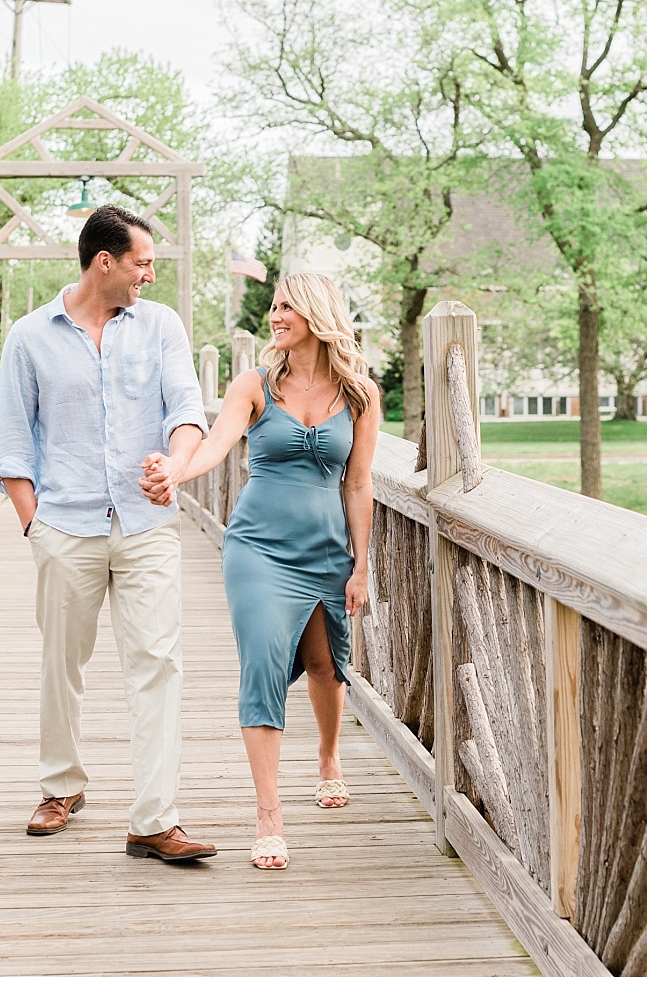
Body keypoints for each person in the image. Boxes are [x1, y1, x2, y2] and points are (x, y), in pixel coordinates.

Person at [0, 204, 217, 863]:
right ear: (105, 263)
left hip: (147, 527)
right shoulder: (29, 337)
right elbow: (11, 443)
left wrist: (174, 466)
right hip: (65, 525)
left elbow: (186, 409)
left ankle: (154, 819)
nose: (151, 275)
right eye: (143, 263)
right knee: (62, 663)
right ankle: (61, 787)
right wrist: (35, 526)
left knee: (158, 665)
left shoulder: (162, 327)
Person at [141, 272, 379, 869]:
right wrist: (176, 474)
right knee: (263, 666)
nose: (275, 316)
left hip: (327, 549)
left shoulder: (359, 395)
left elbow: (358, 483)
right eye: (273, 306)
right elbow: (218, 444)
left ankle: (328, 757)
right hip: (257, 549)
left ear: (317, 316)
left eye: (286, 307)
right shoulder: (253, 384)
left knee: (327, 661)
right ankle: (268, 816)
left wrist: (361, 567)